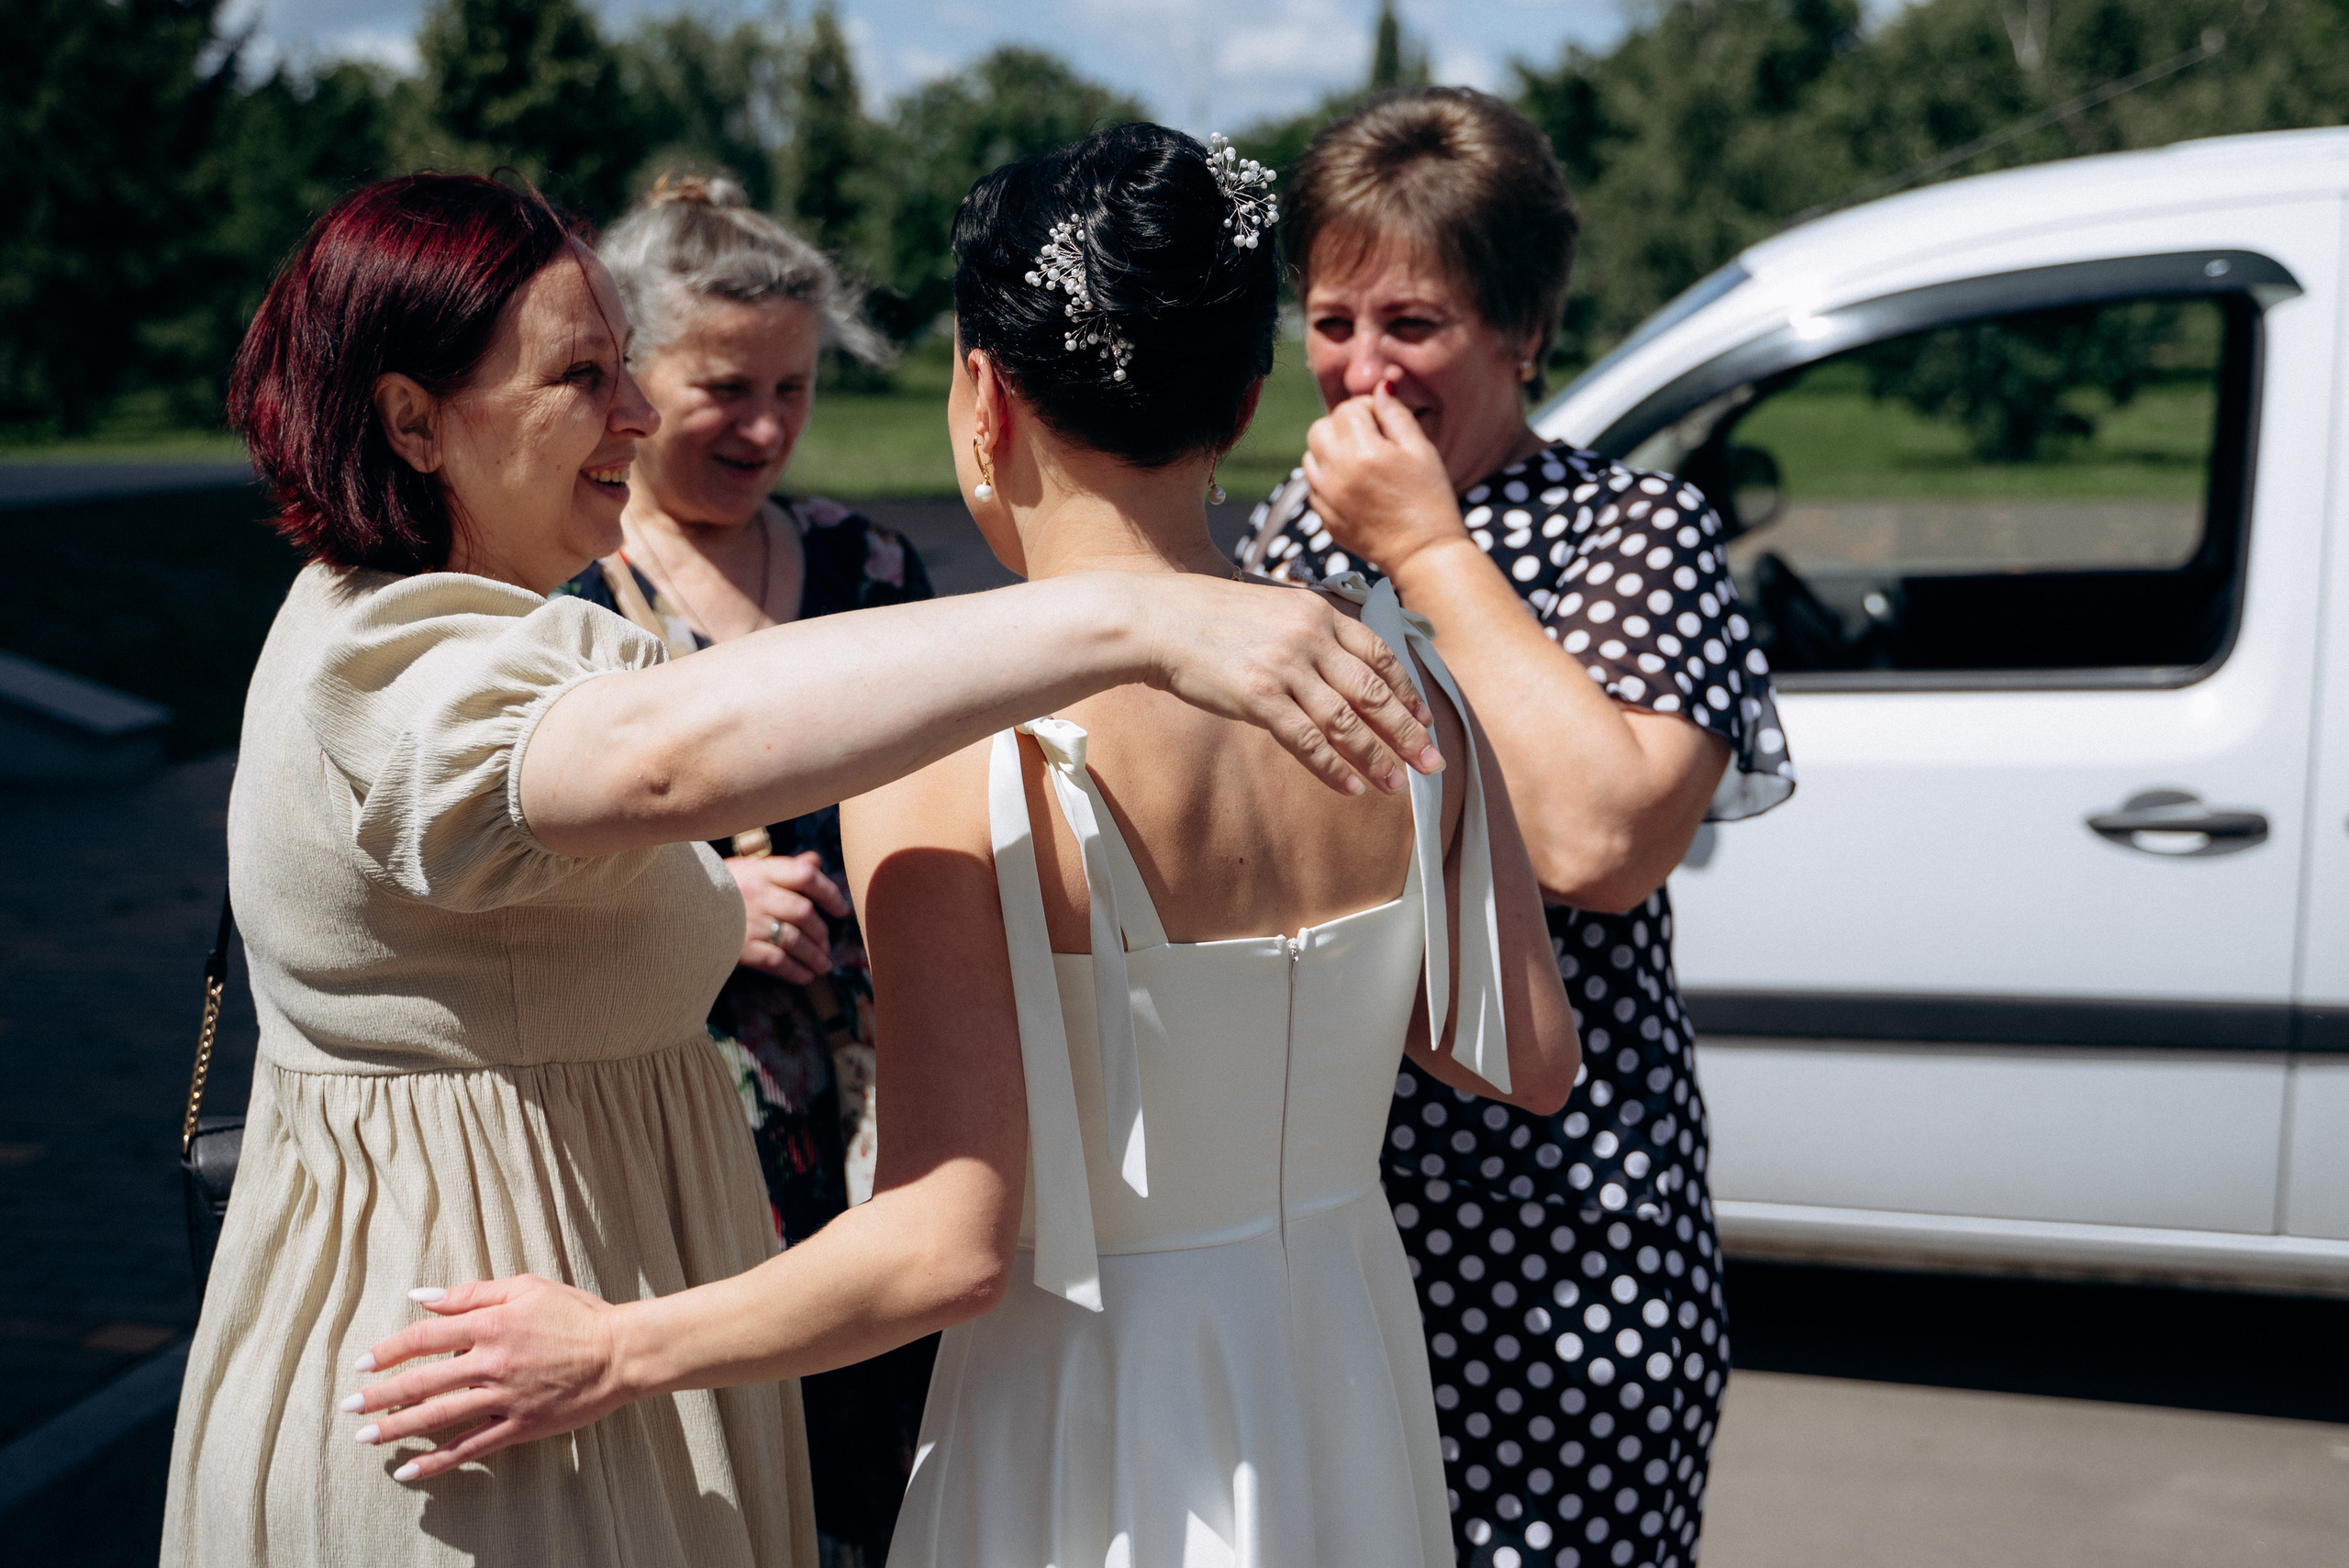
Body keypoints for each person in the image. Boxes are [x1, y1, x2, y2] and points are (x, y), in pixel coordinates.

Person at [336, 126, 1581, 1564]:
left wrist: (611, 1348)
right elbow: (1527, 1057)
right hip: (1343, 1375)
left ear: (982, 395)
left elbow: (945, 1247)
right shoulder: (1402, 685)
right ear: (1243, 399)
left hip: (1098, 1405)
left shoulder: (958, 749)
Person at [1236, 89, 1798, 1568]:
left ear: (1524, 331)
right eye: (1334, 317)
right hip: (1331, 1225)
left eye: (1413, 324)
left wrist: (1428, 545)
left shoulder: (1636, 532)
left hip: (1565, 1251)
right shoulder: (1286, 537)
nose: (1364, 369)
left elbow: (1603, 841)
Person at [554, 173, 936, 1562]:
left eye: (796, 385)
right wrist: (707, 909)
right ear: (631, 378)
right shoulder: (568, 599)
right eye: (728, 387)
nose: (769, 426)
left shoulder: (867, 561)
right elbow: (498, 904)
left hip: (885, 1137)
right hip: (675, 1150)